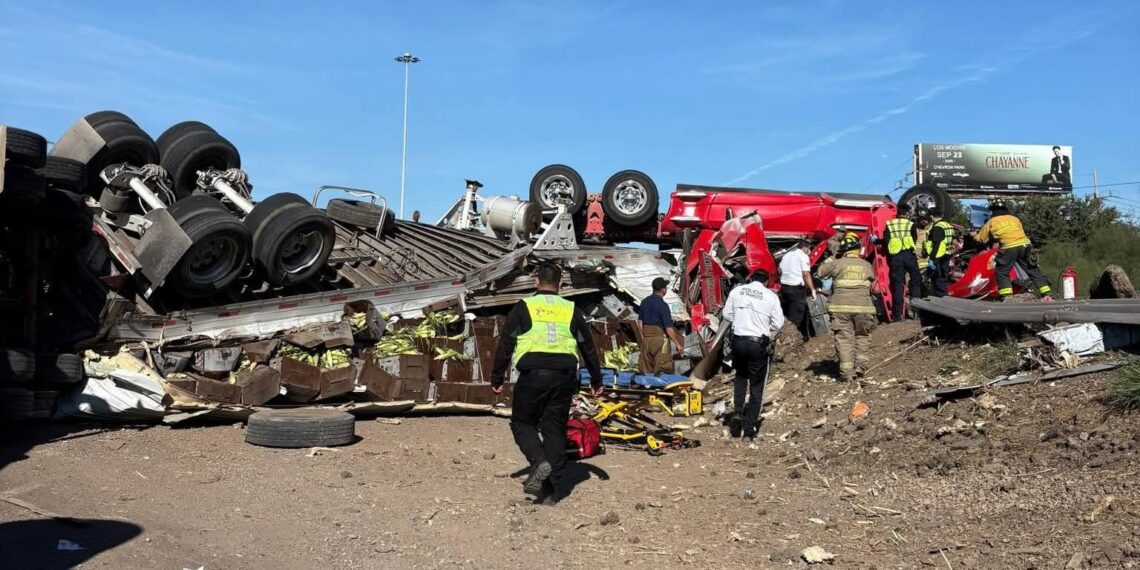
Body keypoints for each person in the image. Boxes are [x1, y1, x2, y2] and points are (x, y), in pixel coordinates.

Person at [491, 264, 603, 505]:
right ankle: (552, 491)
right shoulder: (572, 309)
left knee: (523, 423)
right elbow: (588, 348)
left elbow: (506, 344)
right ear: (560, 284)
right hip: (564, 376)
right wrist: (596, 379)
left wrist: (497, 377)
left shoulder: (524, 307)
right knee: (554, 428)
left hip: (533, 374)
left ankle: (539, 461)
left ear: (536, 282)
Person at [722, 268, 785, 440]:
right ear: (766, 282)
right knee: (757, 385)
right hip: (757, 343)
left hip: (739, 341)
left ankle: (737, 412)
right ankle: (749, 429)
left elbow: (726, 314)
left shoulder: (737, 291)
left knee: (741, 377)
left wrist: (741, 320)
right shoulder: (770, 296)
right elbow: (778, 323)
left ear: (751, 278)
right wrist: (765, 330)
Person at [817, 235, 877, 382]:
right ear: (857, 250)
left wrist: (833, 257)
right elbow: (872, 282)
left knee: (844, 339)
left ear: (843, 250)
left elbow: (820, 273)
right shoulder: (866, 265)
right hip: (864, 309)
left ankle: (847, 373)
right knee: (862, 336)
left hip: (841, 308)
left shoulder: (837, 263)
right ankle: (861, 367)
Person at [974, 199, 1054, 301]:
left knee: (1002, 272)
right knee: (1033, 270)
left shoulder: (992, 221)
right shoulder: (1015, 219)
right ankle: (1047, 294)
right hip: (1025, 245)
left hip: (1008, 247)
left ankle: (1007, 297)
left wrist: (974, 235)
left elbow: (981, 239)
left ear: (993, 211)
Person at [637, 277, 685, 374]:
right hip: (659, 340)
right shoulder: (663, 305)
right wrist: (678, 344)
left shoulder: (644, 302)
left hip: (646, 340)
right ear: (663, 290)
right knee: (662, 367)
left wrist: (644, 336)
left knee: (646, 368)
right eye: (666, 288)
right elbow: (668, 328)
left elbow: (640, 322)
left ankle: (646, 387)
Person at [883, 208, 922, 320]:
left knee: (898, 285)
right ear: (907, 213)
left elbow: (886, 240)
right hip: (909, 255)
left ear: (897, 214)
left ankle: (898, 314)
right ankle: (917, 313)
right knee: (915, 282)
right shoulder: (911, 224)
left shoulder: (890, 224)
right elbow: (914, 239)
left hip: (896, 257)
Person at [778, 240, 815, 340]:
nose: (809, 251)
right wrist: (812, 289)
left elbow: (780, 269)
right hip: (796, 290)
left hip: (784, 289)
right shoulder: (803, 256)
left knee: (785, 314)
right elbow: (806, 274)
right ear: (804, 247)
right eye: (809, 248)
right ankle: (789, 341)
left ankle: (781, 337)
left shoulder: (787, 255)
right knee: (796, 317)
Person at [924, 208, 955, 297]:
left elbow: (936, 244)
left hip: (938, 256)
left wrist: (932, 259)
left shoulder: (938, 227)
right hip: (946, 253)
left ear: (931, 216)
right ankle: (941, 295)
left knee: (938, 278)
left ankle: (939, 296)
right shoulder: (947, 225)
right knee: (942, 277)